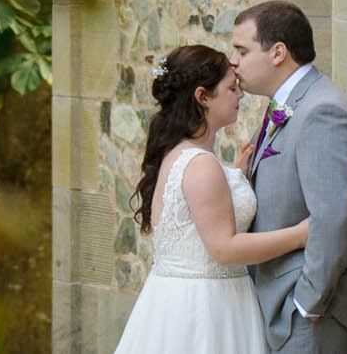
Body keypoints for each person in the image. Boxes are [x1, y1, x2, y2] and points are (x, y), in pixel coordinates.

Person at [112, 44, 311, 354]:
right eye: (232, 88)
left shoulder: (181, 153)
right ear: (202, 96)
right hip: (206, 307)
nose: (240, 95)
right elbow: (224, 249)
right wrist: (300, 234)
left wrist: (236, 178)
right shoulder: (201, 164)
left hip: (175, 299)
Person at [229, 0, 347, 354]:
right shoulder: (288, 105)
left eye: (242, 50)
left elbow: (332, 216)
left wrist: (307, 303)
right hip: (278, 304)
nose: (233, 61)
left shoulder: (322, 111)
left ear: (278, 53)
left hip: (307, 316)